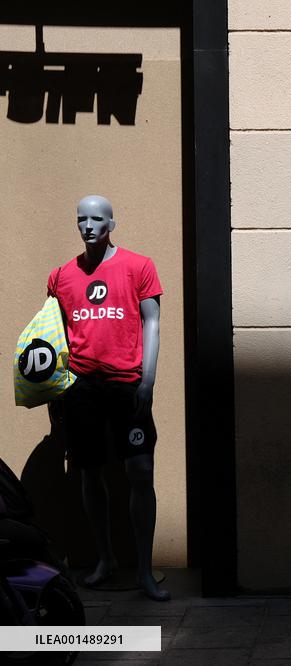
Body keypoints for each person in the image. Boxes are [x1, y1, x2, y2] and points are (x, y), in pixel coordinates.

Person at [47, 195, 169, 602]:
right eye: (81, 218)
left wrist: (147, 382)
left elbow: (152, 324)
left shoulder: (139, 266)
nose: (88, 225)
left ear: (112, 223)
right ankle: (105, 559)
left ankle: (145, 571)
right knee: (89, 472)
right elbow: (53, 335)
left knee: (140, 471)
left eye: (97, 218)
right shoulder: (61, 276)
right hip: (81, 387)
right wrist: (55, 390)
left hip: (127, 384)